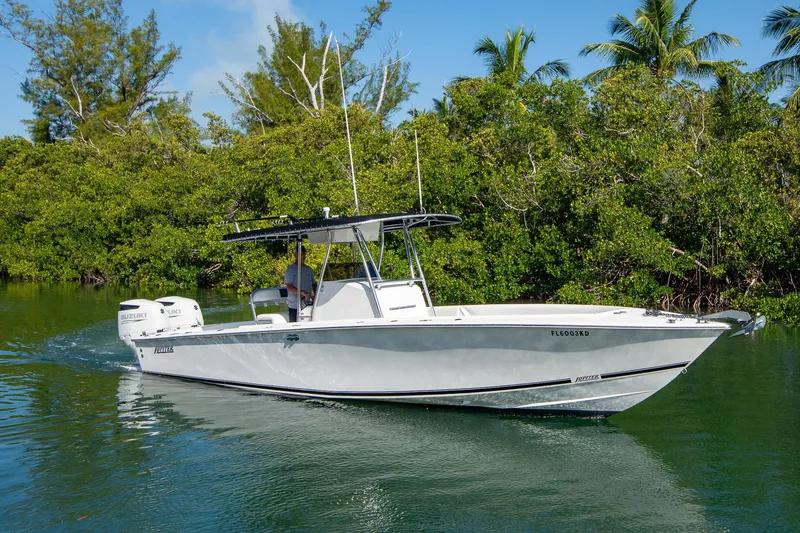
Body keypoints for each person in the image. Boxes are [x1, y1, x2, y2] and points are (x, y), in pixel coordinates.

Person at [284, 245, 316, 322]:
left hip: (307, 304)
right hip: (295, 306)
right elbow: (289, 287)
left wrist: (316, 296)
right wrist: (302, 292)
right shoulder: (290, 270)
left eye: (303, 254)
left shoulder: (309, 269)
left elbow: (314, 284)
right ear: (295, 255)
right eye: (299, 254)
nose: (301, 256)